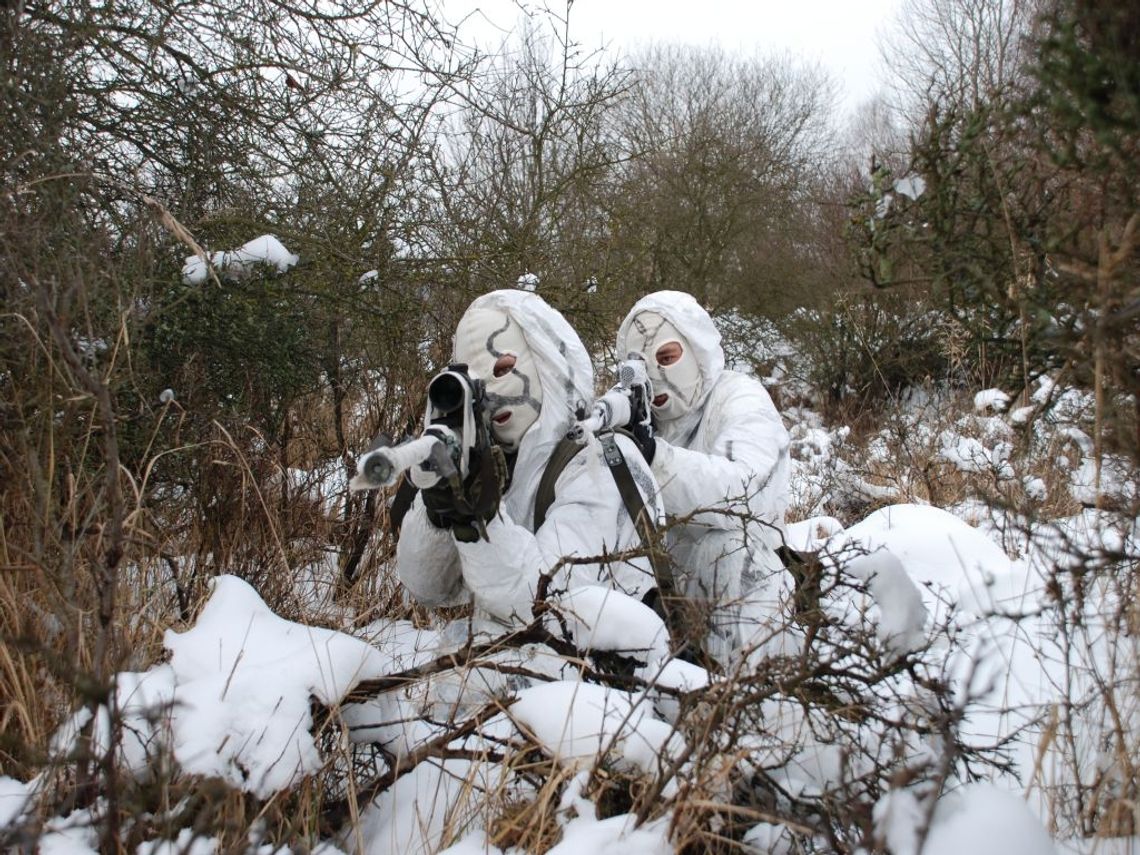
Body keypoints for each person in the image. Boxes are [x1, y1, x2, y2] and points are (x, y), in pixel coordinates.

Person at [395, 288, 663, 634]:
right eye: (479, 383)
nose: (492, 392)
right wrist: (437, 511)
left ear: (548, 362)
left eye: (504, 367)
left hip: (604, 678)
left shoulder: (600, 460)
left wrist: (483, 520)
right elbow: (430, 589)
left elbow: (550, 603)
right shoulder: (503, 463)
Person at [614, 290, 792, 666]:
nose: (658, 375)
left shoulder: (737, 397)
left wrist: (655, 459)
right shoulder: (638, 421)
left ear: (695, 348)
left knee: (725, 548)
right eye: (645, 366)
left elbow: (747, 495)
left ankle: (748, 701)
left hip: (741, 596)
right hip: (664, 603)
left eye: (667, 357)